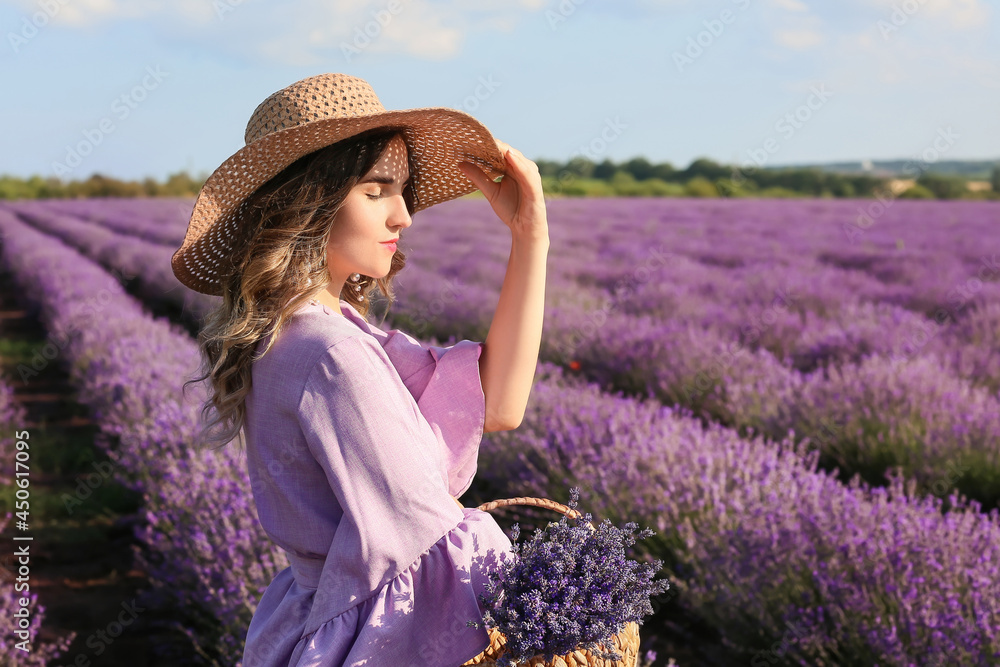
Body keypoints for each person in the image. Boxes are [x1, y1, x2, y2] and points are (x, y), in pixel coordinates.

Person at [171, 72, 549, 666]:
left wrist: (530, 239)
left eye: (404, 191)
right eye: (376, 192)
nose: (403, 216)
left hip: (316, 622)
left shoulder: (320, 331)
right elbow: (419, 538)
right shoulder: (331, 354)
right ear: (311, 201)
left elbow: (495, 407)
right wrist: (547, 615)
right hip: (370, 639)